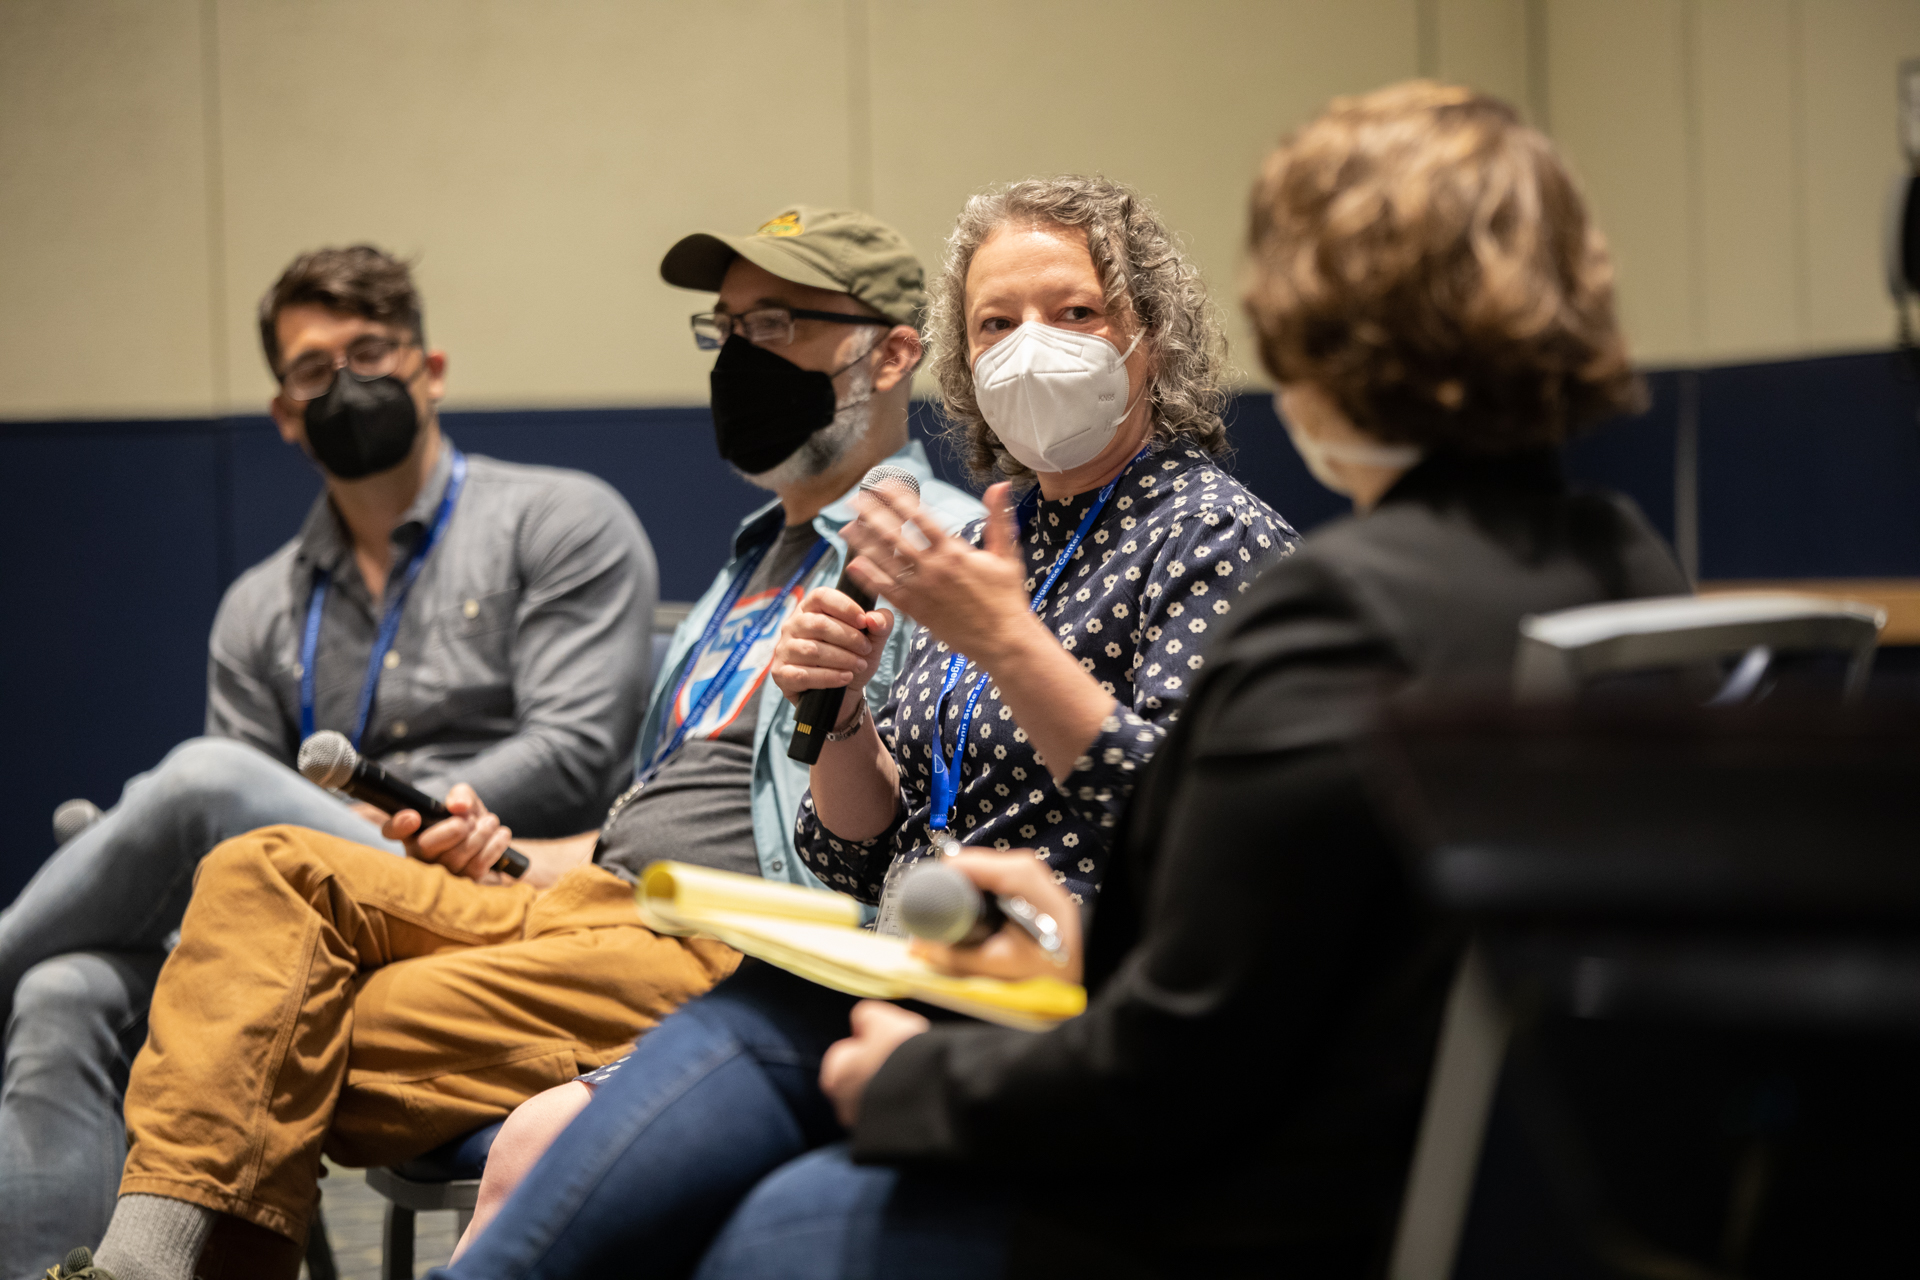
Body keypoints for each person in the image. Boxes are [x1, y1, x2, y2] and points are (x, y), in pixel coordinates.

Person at [679, 82, 1697, 1278]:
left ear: (1299, 334)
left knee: (771, 1229)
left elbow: (1181, 1059)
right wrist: (1078, 939)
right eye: (996, 322)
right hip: (1543, 1189)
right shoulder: (1632, 568)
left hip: (1282, 1197)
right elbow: (1331, 925)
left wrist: (916, 1085)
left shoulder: (1330, 609)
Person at [45, 207, 981, 1280]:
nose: (739, 358)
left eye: (774, 325)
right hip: (588, 899)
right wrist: (519, 848)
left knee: (257, 1030)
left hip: (734, 947)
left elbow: (911, 819)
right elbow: (663, 811)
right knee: (260, 866)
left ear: (894, 350)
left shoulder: (929, 545)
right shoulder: (753, 558)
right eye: (724, 331)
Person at [419, 176, 1299, 1279]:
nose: (1031, 346)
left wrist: (1010, 645)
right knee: (542, 1141)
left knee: (653, 1193)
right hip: (894, 959)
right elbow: (858, 844)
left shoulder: (1208, 535)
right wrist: (839, 722)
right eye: (995, 323)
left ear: (1149, 338)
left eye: (1074, 313)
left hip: (1058, 995)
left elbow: (1193, 830)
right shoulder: (994, 534)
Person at [0, 245, 658, 1280]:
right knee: (61, 990)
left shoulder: (558, 519)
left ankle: (106, 853)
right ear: (284, 412)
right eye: (315, 370)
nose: (346, 384)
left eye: (371, 352)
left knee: (208, 782)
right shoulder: (260, 604)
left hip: (484, 874)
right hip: (289, 903)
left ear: (430, 368)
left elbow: (576, 750)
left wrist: (418, 809)